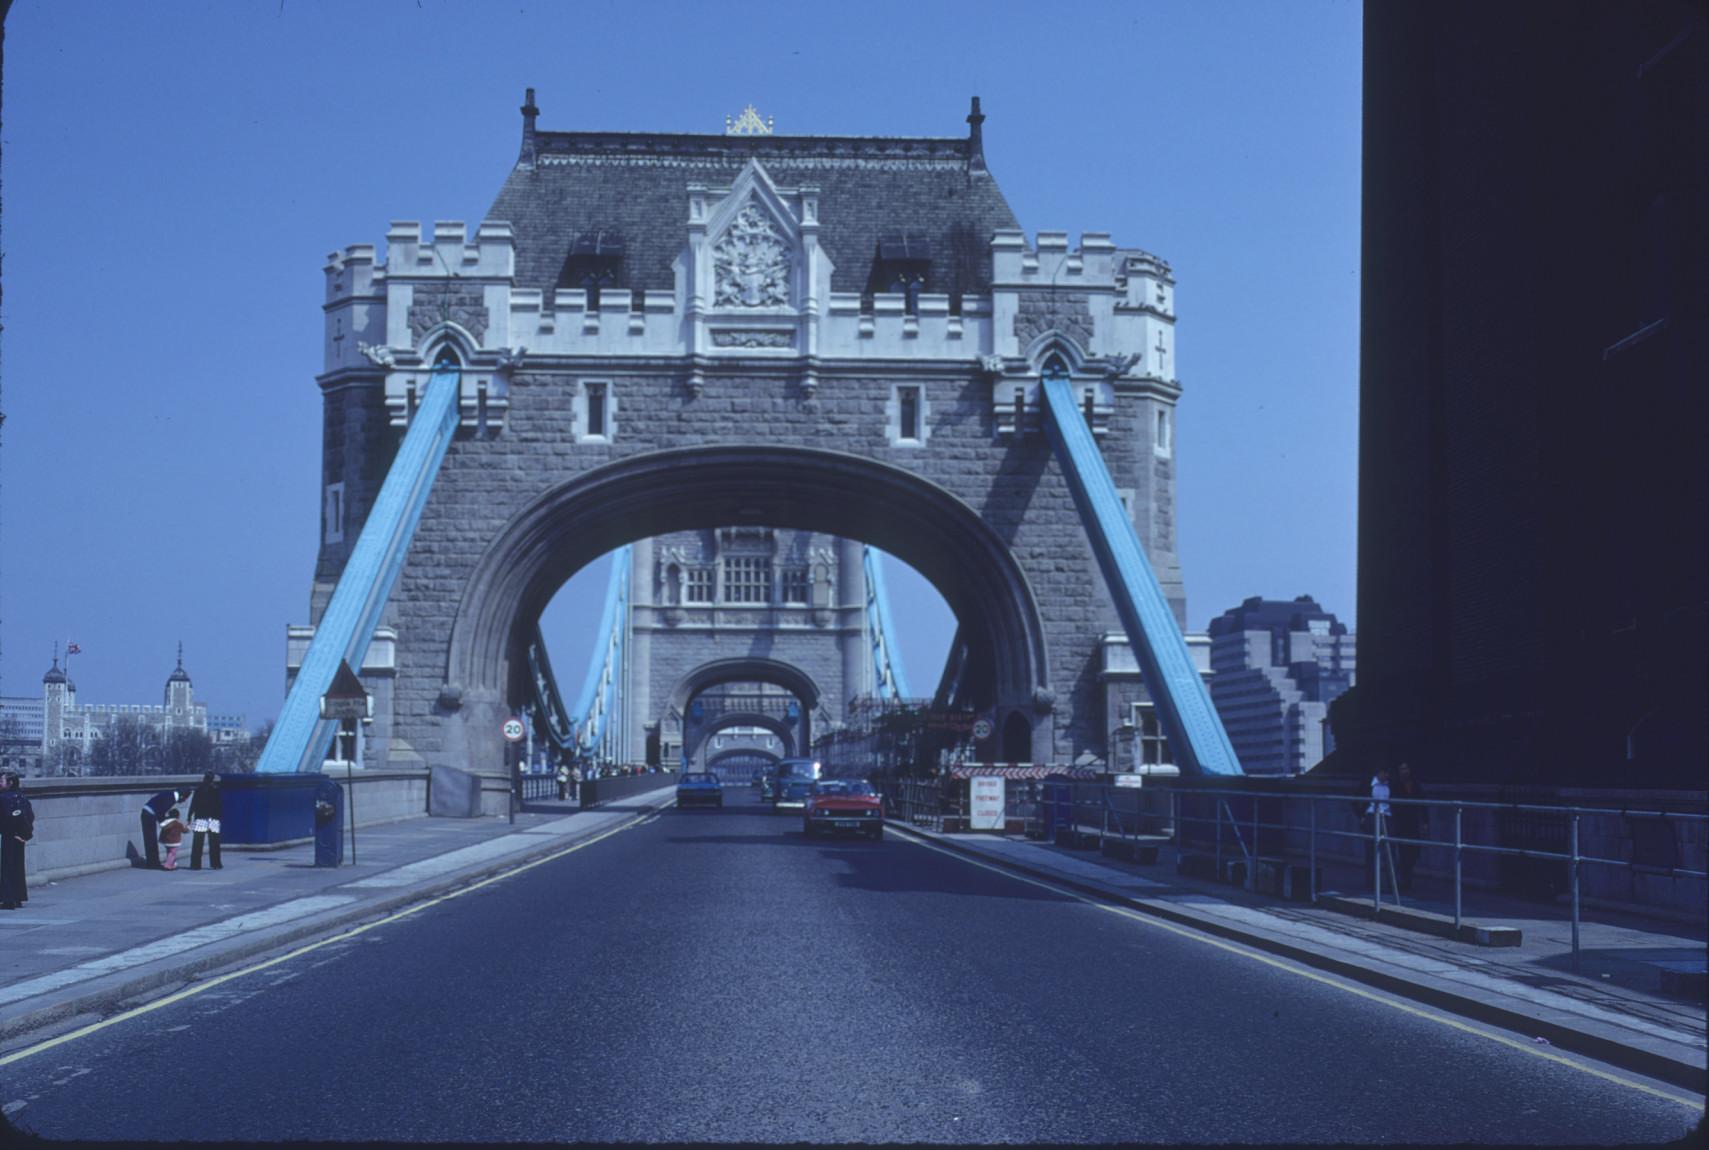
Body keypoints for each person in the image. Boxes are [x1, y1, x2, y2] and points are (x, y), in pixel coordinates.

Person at [1388, 762, 1428, 894]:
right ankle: (1406, 880)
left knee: (1415, 851)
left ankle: (1405, 872)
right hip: (1401, 823)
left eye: (1406, 769)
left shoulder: (1415, 784)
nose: (1404, 772)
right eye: (1401, 769)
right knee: (1404, 852)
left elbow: (1423, 803)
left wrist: (1425, 821)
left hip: (1413, 823)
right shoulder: (1395, 785)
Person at [1, 772, 34, 910]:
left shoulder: (3, 798)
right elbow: (30, 816)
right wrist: (25, 835)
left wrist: (9, 832)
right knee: (17, 868)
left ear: (10, 783)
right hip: (19, 838)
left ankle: (8, 900)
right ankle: (18, 897)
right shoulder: (22, 797)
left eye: (1, 781)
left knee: (5, 869)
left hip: (8, 837)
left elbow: (6, 819)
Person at [139, 788, 183, 870]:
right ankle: (153, 863)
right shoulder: (172, 799)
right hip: (149, 814)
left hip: (147, 813)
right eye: (184, 799)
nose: (183, 802)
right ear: (182, 796)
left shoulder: (171, 794)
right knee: (151, 839)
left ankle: (152, 862)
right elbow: (161, 811)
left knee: (150, 839)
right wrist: (164, 823)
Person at [189, 771, 223, 870]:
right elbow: (218, 805)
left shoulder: (199, 790)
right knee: (214, 842)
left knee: (197, 842)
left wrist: (189, 815)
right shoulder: (215, 790)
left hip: (200, 818)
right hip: (213, 819)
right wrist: (219, 817)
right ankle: (216, 863)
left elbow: (193, 804)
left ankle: (195, 864)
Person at [1364, 767, 1392, 884]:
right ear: (1379, 773)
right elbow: (1356, 800)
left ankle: (1391, 882)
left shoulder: (1391, 786)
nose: (1386, 776)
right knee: (1371, 850)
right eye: (1384, 773)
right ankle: (1371, 881)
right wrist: (1362, 815)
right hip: (1372, 816)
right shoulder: (1368, 784)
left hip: (1387, 817)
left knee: (1389, 851)